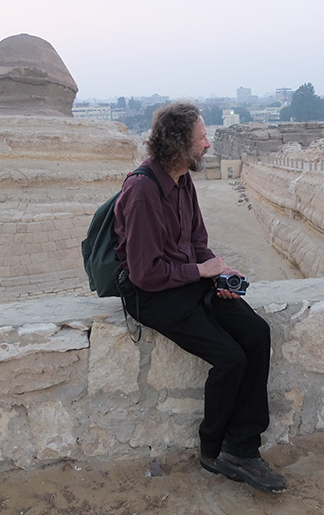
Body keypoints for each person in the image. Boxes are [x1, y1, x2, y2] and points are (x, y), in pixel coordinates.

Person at [113, 102, 287, 493]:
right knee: (230, 359)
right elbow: (145, 273)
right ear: (178, 144)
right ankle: (214, 450)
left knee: (256, 333)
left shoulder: (183, 181)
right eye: (202, 138)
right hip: (154, 297)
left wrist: (219, 270)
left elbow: (196, 242)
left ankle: (243, 445)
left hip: (190, 283)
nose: (208, 144)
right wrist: (200, 271)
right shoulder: (142, 191)